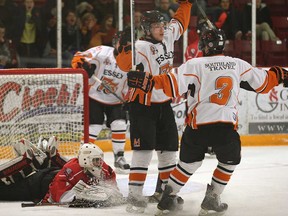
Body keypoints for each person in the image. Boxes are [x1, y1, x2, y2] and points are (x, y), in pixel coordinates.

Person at [127, 27, 288, 215]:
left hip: (198, 127)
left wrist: (148, 81)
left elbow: (169, 84)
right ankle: (212, 198)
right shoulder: (236, 64)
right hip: (225, 127)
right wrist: (281, 74)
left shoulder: (194, 64)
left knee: (187, 164)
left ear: (204, 45)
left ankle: (167, 199)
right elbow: (263, 83)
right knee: (229, 161)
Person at [122, 0, 193, 213]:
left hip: (163, 105)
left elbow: (179, 22)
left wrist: (187, 4)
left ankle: (164, 193)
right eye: (156, 27)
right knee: (143, 151)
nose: (162, 29)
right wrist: (124, 56)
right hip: (142, 106)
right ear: (146, 30)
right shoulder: (139, 47)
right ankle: (134, 197)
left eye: (162, 26)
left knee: (169, 149)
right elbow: (123, 62)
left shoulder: (167, 36)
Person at [71, 27, 131, 174]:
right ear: (116, 43)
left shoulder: (132, 61)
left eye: (129, 45)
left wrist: (131, 98)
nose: (125, 47)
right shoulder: (103, 52)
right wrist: (83, 66)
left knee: (119, 124)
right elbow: (78, 57)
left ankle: (119, 156)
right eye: (123, 43)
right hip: (94, 96)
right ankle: (83, 156)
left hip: (116, 100)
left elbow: (134, 82)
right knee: (94, 127)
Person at [43, 143, 124, 207]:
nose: (100, 164)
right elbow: (59, 198)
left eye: (100, 160)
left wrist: (110, 194)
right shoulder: (69, 171)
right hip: (51, 205)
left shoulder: (105, 169)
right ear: (85, 160)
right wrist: (80, 195)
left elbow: (116, 193)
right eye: (96, 160)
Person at [0, 136, 67, 202]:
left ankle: (31, 160)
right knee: (12, 186)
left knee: (11, 188)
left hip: (43, 179)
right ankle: (36, 160)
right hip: (44, 178)